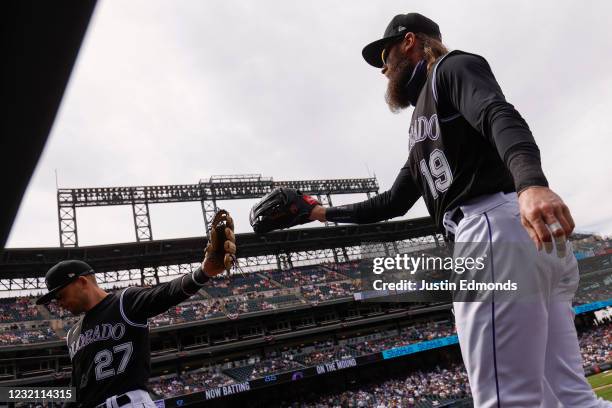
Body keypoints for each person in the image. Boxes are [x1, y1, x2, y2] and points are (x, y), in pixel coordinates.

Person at [303, 13, 610, 408]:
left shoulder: (452, 67)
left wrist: (531, 182)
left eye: (385, 53)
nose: (382, 68)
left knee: (506, 401)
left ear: (409, 41)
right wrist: (322, 213)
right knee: (570, 399)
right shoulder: (421, 122)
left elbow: (498, 113)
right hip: (521, 241)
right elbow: (393, 201)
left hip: (492, 230)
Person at [36, 212, 236, 408]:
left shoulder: (123, 302)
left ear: (81, 282)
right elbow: (77, 389)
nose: (58, 303)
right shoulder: (72, 335)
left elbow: (164, 294)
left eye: (60, 295)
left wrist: (203, 273)